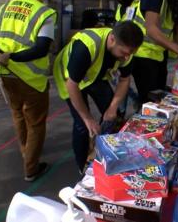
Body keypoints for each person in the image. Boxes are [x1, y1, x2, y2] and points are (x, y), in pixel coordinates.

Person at [53, 21, 143, 174]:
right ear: (112, 39)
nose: (126, 57)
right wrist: (88, 119)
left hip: (94, 76)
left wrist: (112, 108)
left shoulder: (127, 50)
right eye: (124, 53)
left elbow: (125, 79)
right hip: (70, 79)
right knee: (82, 125)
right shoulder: (86, 47)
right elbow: (72, 85)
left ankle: (106, 153)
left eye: (130, 53)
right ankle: (83, 166)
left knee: (113, 116)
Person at [0, 0, 57, 182]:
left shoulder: (4, 8)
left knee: (17, 113)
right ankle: (31, 168)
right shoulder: (43, 12)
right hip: (30, 78)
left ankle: (26, 150)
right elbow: (41, 49)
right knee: (36, 123)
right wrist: (13, 56)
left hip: (6, 74)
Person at [117, 0, 178, 104]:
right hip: (141, 53)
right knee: (150, 102)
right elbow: (151, 29)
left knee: (159, 99)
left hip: (158, 55)